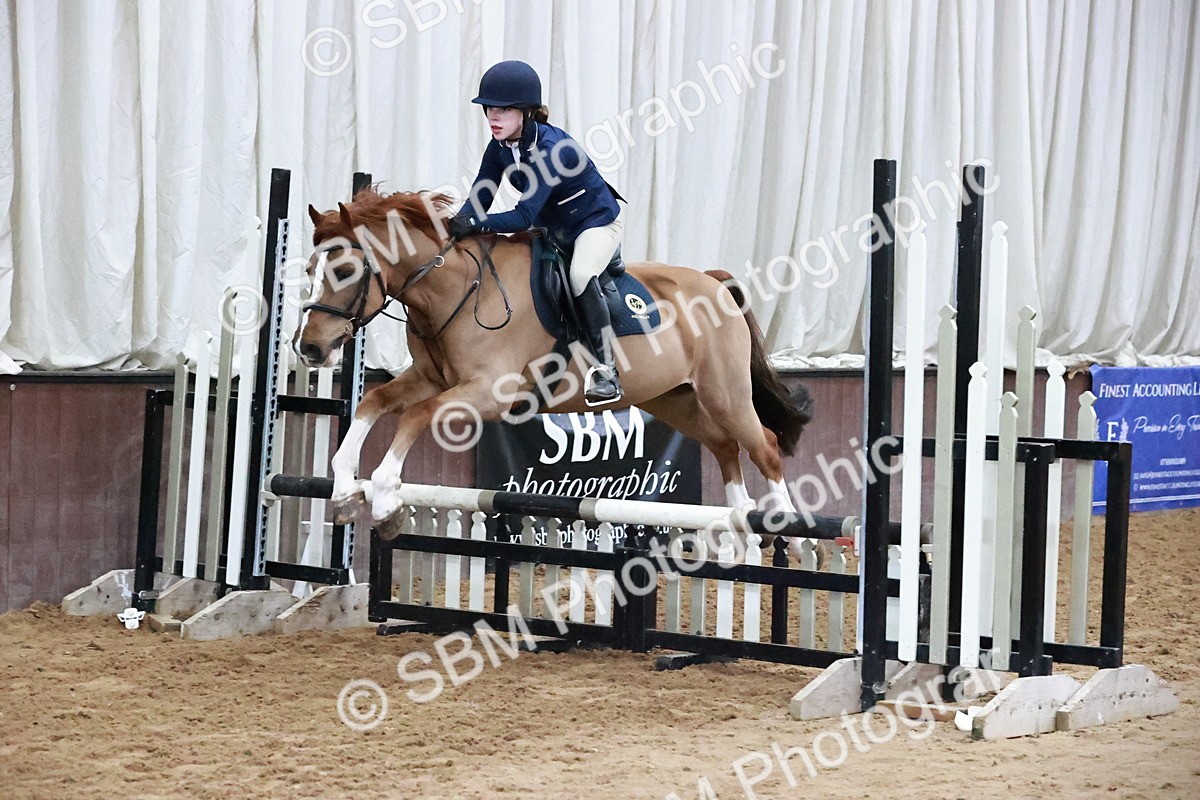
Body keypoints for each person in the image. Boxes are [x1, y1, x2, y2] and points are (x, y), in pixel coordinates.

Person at [449, 60, 625, 405]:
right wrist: (456, 228)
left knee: (580, 275)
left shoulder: (550, 149)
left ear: (526, 112)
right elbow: (480, 199)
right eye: (489, 109)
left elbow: (522, 216)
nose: (493, 117)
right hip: (554, 227)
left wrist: (475, 225)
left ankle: (607, 371)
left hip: (594, 223)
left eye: (503, 109)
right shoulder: (498, 149)